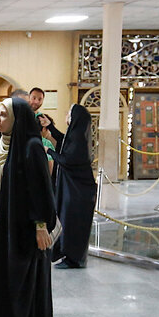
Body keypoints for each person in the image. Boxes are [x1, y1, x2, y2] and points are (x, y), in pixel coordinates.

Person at [0, 98, 56, 317]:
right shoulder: (3, 143)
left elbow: (40, 189)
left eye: (2, 115)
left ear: (16, 119)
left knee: (16, 280)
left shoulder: (31, 147)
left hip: (21, 228)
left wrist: (40, 226)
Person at [49, 104, 97, 270]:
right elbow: (63, 141)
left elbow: (67, 160)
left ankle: (73, 259)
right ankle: (67, 255)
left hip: (78, 194)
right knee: (68, 223)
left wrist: (49, 151)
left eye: (69, 113)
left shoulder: (78, 139)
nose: (66, 115)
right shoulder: (76, 135)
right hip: (75, 192)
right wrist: (50, 126)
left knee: (72, 225)